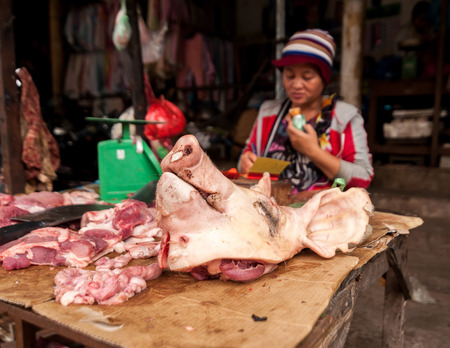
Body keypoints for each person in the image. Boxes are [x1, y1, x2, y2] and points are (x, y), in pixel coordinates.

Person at [238, 29, 373, 198]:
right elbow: (247, 156)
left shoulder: (345, 117)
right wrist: (244, 162)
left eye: (307, 77)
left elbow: (363, 178)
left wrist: (313, 151)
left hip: (325, 214)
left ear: (324, 79)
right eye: (289, 75)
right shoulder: (268, 113)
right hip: (272, 210)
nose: (296, 85)